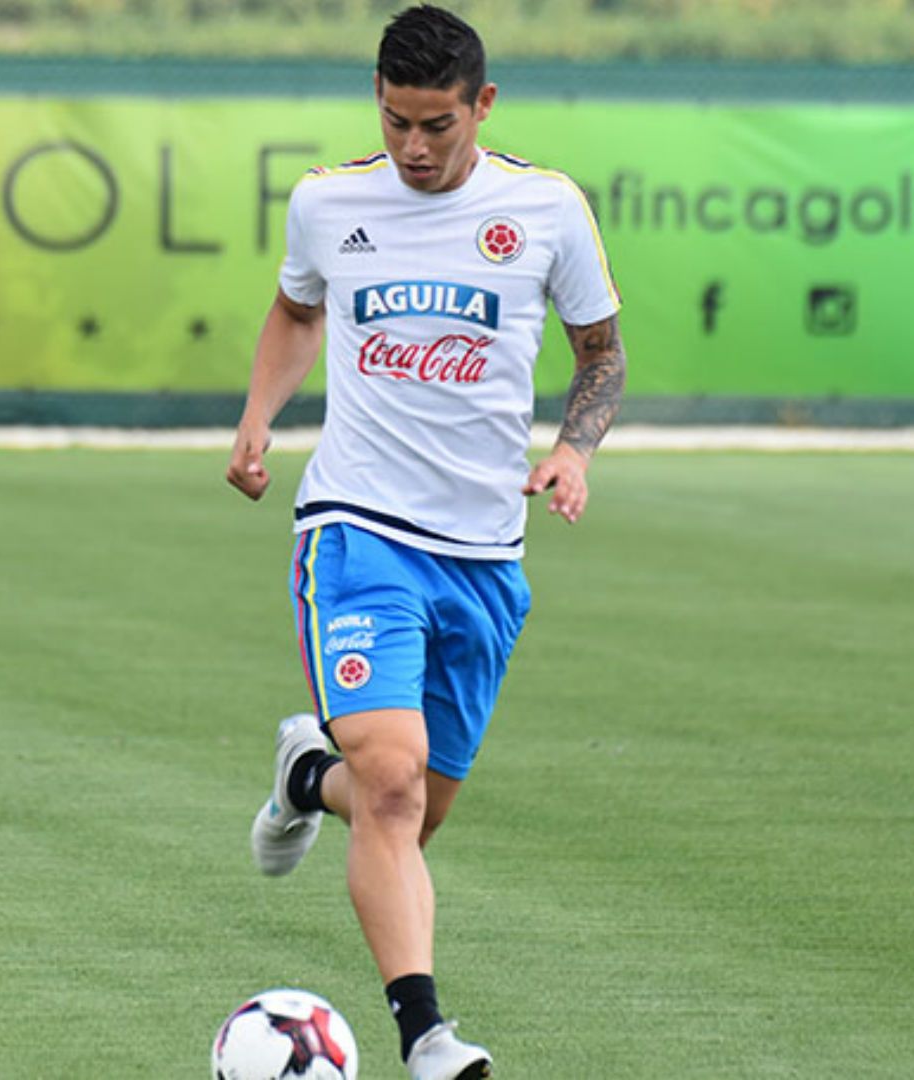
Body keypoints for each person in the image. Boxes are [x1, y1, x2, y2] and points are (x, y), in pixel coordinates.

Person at [225, 6, 625, 1078]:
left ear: (481, 106)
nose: (412, 146)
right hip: (357, 530)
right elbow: (296, 311)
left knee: (408, 807)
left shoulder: (544, 209)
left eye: (436, 125)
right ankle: (427, 1037)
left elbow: (602, 357)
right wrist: (259, 417)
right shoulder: (327, 202)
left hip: (487, 556)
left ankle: (308, 779)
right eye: (397, 120)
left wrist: (574, 453)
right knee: (394, 785)